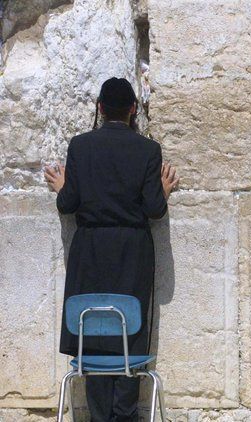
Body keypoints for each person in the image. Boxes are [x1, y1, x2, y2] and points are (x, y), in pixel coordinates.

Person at [44, 77, 179, 422]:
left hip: (89, 248)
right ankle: (125, 414)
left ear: (101, 109)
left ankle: (100, 415)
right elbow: (153, 209)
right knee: (129, 334)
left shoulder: (80, 146)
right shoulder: (148, 150)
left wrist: (62, 186)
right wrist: (162, 190)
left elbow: (69, 204)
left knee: (94, 330)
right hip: (132, 251)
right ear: (133, 109)